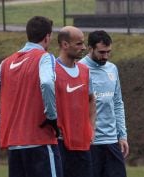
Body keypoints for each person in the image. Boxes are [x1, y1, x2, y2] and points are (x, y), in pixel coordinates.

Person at [0, 16, 61, 177]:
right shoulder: (44, 57)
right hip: (40, 141)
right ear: (47, 36)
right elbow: (48, 83)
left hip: (15, 145)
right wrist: (52, 116)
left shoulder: (7, 62)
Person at [79, 30, 128, 177]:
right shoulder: (79, 69)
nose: (105, 56)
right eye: (101, 52)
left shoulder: (112, 69)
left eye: (108, 52)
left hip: (112, 142)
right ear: (90, 48)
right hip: (90, 144)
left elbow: (118, 103)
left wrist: (122, 135)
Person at [55, 26, 96, 177]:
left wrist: (91, 127)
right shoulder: (51, 70)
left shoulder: (85, 71)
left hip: (82, 144)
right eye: (79, 44)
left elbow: (91, 99)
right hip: (60, 144)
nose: (84, 47)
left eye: (83, 43)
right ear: (65, 45)